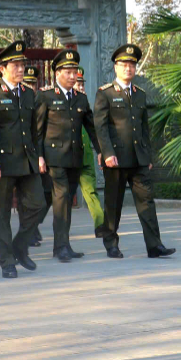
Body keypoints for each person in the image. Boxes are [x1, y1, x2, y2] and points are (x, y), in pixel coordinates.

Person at [93, 44, 174, 260]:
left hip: (139, 159)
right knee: (114, 204)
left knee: (146, 202)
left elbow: (144, 128)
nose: (128, 69)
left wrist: (147, 155)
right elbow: (100, 127)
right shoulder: (105, 93)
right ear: (115, 68)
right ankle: (111, 243)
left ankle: (154, 246)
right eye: (124, 65)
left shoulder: (140, 94)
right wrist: (107, 153)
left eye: (132, 65)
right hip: (116, 159)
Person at [0, 40, 46, 279]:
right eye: (15, 65)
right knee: (2, 213)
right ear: (2, 69)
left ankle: (20, 246)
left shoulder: (29, 93)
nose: (20, 69)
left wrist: (38, 157)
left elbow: (34, 130)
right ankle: (7, 260)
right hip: (3, 164)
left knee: (38, 204)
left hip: (27, 161)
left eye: (22, 65)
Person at [35, 49, 97, 263]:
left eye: (75, 72)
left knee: (66, 201)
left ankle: (63, 245)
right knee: (60, 200)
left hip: (74, 159)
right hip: (54, 159)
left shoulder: (80, 99)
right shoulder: (45, 96)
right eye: (68, 72)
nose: (73, 76)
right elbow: (38, 130)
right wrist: (39, 157)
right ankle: (60, 246)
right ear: (57, 73)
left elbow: (91, 127)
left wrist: (104, 152)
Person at [73, 67, 105, 237]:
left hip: (85, 158)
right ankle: (32, 229)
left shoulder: (84, 103)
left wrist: (100, 151)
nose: (81, 87)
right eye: (78, 83)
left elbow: (92, 129)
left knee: (91, 191)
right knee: (51, 198)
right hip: (65, 159)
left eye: (82, 83)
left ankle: (100, 224)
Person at [24, 65, 51, 247]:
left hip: (41, 153)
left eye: (33, 83)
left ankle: (33, 226)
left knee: (46, 193)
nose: (31, 87)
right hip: (22, 154)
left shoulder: (42, 98)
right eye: (28, 83)